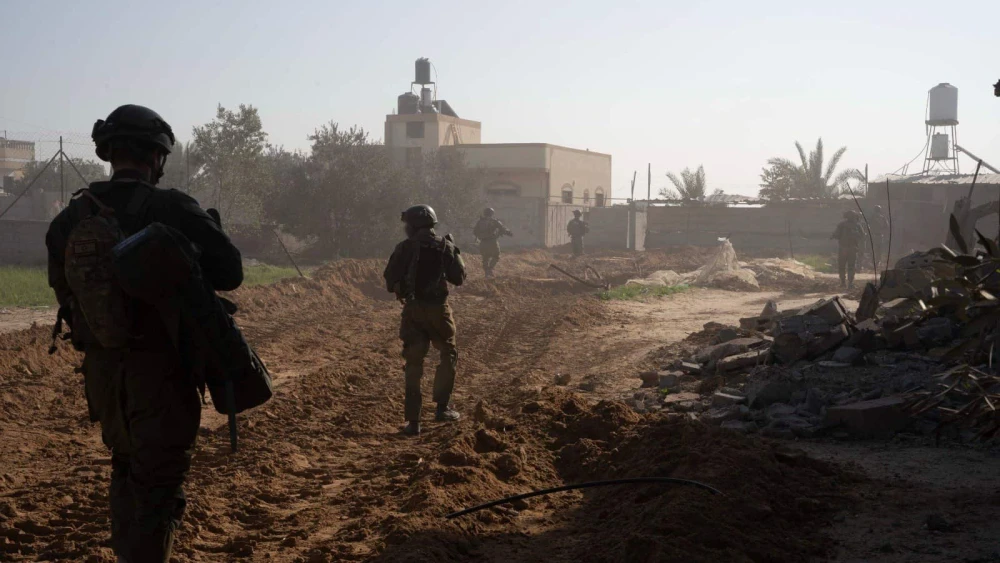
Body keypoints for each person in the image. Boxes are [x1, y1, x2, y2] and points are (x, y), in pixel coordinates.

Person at [46, 105, 243, 563]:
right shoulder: (171, 207)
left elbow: (65, 291)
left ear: (109, 152)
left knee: (127, 469)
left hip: (103, 373)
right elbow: (230, 272)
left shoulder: (70, 218)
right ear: (157, 157)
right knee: (158, 489)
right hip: (162, 372)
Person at [383, 204, 466, 436]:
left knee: (413, 365)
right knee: (448, 354)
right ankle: (442, 408)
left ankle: (413, 422)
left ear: (413, 225)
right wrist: (455, 251)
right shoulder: (445, 246)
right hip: (439, 311)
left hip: (413, 312)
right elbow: (459, 278)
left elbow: (390, 280)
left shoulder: (404, 248)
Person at [473, 207, 513, 278]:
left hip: (482, 243)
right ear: (492, 214)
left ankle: (486, 273)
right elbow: (502, 229)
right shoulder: (494, 221)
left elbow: (475, 232)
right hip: (492, 242)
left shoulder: (479, 222)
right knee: (496, 256)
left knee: (485, 258)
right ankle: (490, 269)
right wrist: (509, 233)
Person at [831, 210, 864, 289]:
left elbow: (836, 235)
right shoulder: (857, 225)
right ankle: (850, 283)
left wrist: (833, 236)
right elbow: (862, 235)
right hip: (853, 248)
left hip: (843, 248)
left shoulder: (841, 224)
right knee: (851, 266)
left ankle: (843, 283)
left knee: (842, 265)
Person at [870, 205, 890, 271]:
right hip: (879, 235)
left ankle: (874, 263)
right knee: (878, 250)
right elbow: (886, 226)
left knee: (874, 250)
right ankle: (877, 263)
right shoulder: (882, 217)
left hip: (873, 235)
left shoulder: (872, 217)